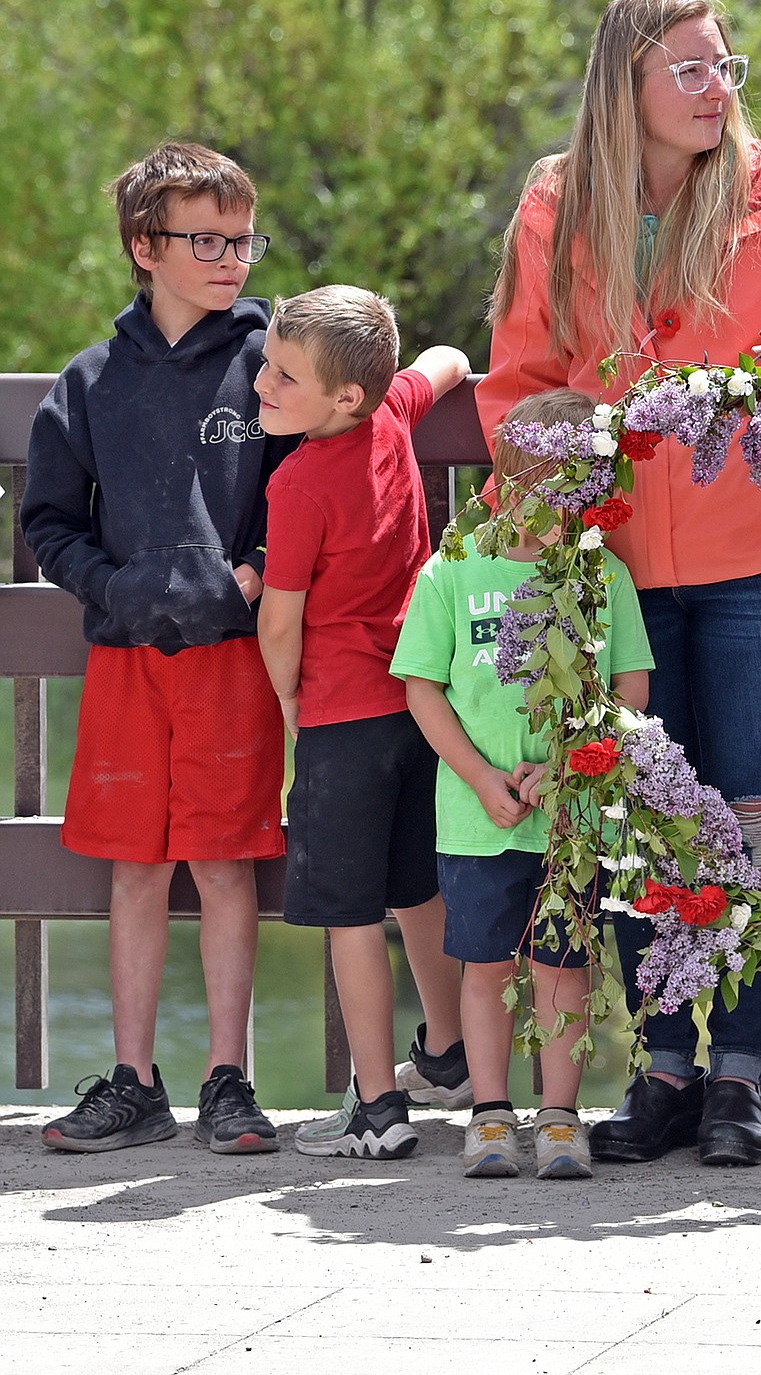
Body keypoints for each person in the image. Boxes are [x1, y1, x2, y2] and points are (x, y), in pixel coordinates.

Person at [478, 0, 761, 1167]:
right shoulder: (558, 203)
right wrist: (549, 463)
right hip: (614, 565)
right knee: (639, 815)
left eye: (726, 67)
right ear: (629, 85)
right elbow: (517, 378)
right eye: (692, 69)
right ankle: (661, 1070)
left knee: (753, 811)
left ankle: (740, 1079)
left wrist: (750, 394)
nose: (718, 89)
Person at [22, 142, 292, 1155]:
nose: (232, 258)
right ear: (146, 246)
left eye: (242, 238)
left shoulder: (274, 360)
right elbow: (49, 522)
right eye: (206, 240)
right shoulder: (90, 382)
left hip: (234, 657)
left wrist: (256, 570)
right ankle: (134, 1081)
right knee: (133, 867)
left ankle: (231, 1078)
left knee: (224, 864)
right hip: (128, 656)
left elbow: (306, 482)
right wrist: (116, 587)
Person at [393, 389, 654, 1179]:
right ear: (500, 478)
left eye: (570, 482)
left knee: (563, 968)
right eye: (533, 479)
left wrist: (574, 761)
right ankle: (490, 1114)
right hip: (478, 819)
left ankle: (562, 1118)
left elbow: (631, 690)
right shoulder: (453, 571)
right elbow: (420, 686)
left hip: (573, 823)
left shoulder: (604, 576)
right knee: (484, 968)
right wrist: (477, 776)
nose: (550, 499)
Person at [254, 285, 470, 1160]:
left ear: (345, 395)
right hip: (422, 707)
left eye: (282, 375)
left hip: (343, 717)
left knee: (350, 912)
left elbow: (280, 618)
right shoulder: (392, 420)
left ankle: (377, 1108)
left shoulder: (297, 483)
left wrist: (289, 702)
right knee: (417, 886)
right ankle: (449, 1052)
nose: (262, 383)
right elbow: (444, 366)